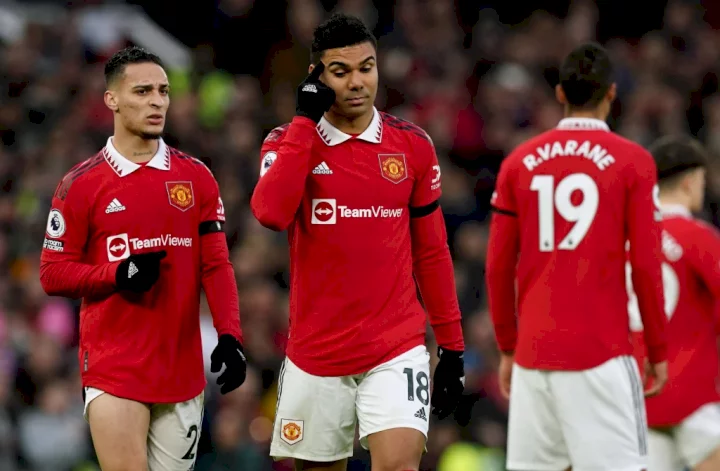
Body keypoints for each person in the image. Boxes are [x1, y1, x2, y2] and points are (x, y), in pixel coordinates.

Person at [251, 13, 465, 471]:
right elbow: (270, 213)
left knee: (399, 464)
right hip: (316, 353)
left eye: (366, 68)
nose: (356, 82)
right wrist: (304, 121)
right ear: (317, 77)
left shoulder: (411, 146)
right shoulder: (288, 143)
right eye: (341, 71)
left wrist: (451, 344)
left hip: (396, 347)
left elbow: (431, 251)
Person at [39, 46, 247, 471]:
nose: (157, 101)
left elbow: (216, 265)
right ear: (112, 99)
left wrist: (230, 335)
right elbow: (52, 273)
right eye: (143, 91)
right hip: (113, 368)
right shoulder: (80, 184)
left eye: (164, 91)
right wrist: (117, 274)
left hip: (182, 371)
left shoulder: (197, 177)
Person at [485, 42, 669, 471]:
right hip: (601, 355)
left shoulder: (518, 162)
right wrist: (657, 350)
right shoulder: (634, 163)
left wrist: (508, 347)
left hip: (533, 357)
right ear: (611, 94)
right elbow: (645, 264)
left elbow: (496, 267)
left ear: (560, 94)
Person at [627, 136, 720, 471]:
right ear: (690, 180)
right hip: (693, 392)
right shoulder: (697, 237)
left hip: (638, 397)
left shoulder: (624, 240)